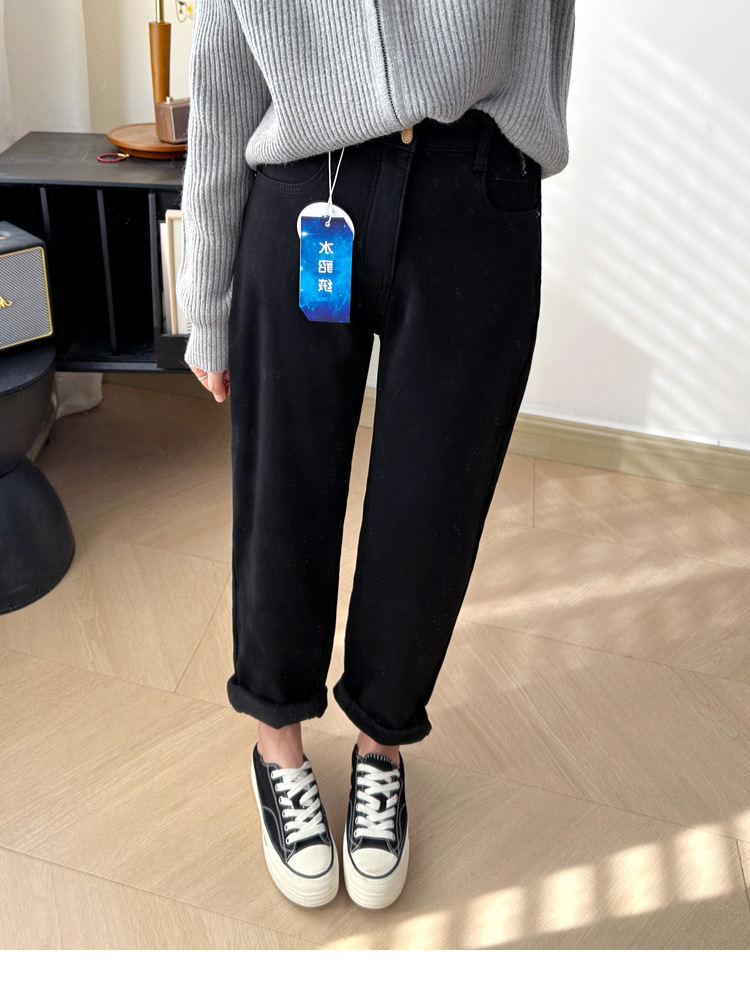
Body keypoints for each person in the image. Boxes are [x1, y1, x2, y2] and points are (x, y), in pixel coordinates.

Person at [176, 0, 576, 910]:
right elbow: (224, 69)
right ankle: (277, 742)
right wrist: (207, 297)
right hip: (302, 185)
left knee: (432, 503)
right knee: (283, 490)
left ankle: (381, 742)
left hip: (480, 183)